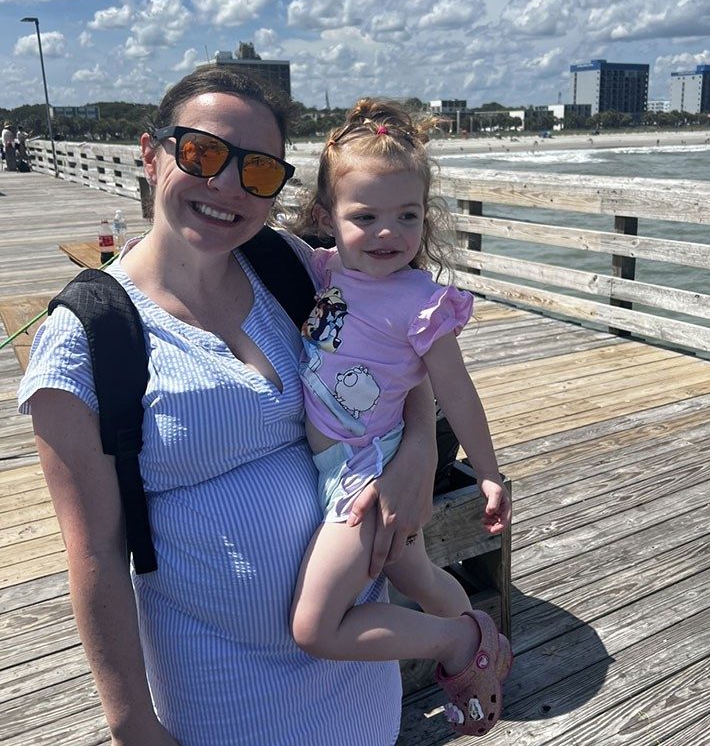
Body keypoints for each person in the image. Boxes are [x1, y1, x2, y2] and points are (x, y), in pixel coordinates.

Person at [18, 67, 439, 746]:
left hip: (356, 660)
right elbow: (93, 551)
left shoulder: (289, 267)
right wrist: (131, 724)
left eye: (258, 171)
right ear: (151, 154)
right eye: (203, 154)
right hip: (224, 686)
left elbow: (398, 351)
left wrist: (419, 445)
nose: (227, 186)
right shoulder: (87, 338)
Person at [289, 99, 513, 736]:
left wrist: (491, 474)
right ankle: (482, 639)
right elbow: (256, 241)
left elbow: (459, 393)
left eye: (406, 216)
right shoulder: (326, 267)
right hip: (338, 460)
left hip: (366, 475)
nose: (388, 233)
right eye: (365, 217)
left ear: (424, 216)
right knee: (413, 570)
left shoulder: (422, 303)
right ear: (327, 217)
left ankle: (457, 644)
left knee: (314, 627)